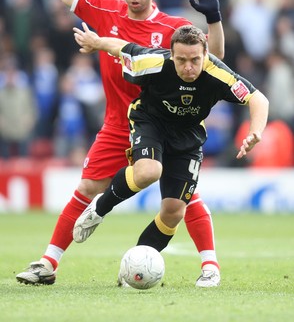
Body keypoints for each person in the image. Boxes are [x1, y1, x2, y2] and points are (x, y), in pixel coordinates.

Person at [16, 0, 224, 288]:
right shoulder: (106, 11)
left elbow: (213, 61)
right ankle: (48, 263)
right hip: (117, 122)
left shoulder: (172, 28)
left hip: (165, 122)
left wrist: (214, 19)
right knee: (85, 188)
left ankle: (209, 266)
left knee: (183, 198)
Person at [72, 23, 269, 288]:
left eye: (195, 60)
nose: (188, 67)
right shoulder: (154, 61)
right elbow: (122, 48)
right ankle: (99, 208)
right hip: (150, 123)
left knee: (174, 211)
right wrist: (96, 42)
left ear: (205, 54)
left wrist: (255, 132)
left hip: (187, 137)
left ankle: (134, 268)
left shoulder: (218, 73)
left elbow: (259, 100)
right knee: (148, 171)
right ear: (171, 55)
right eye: (181, 60)